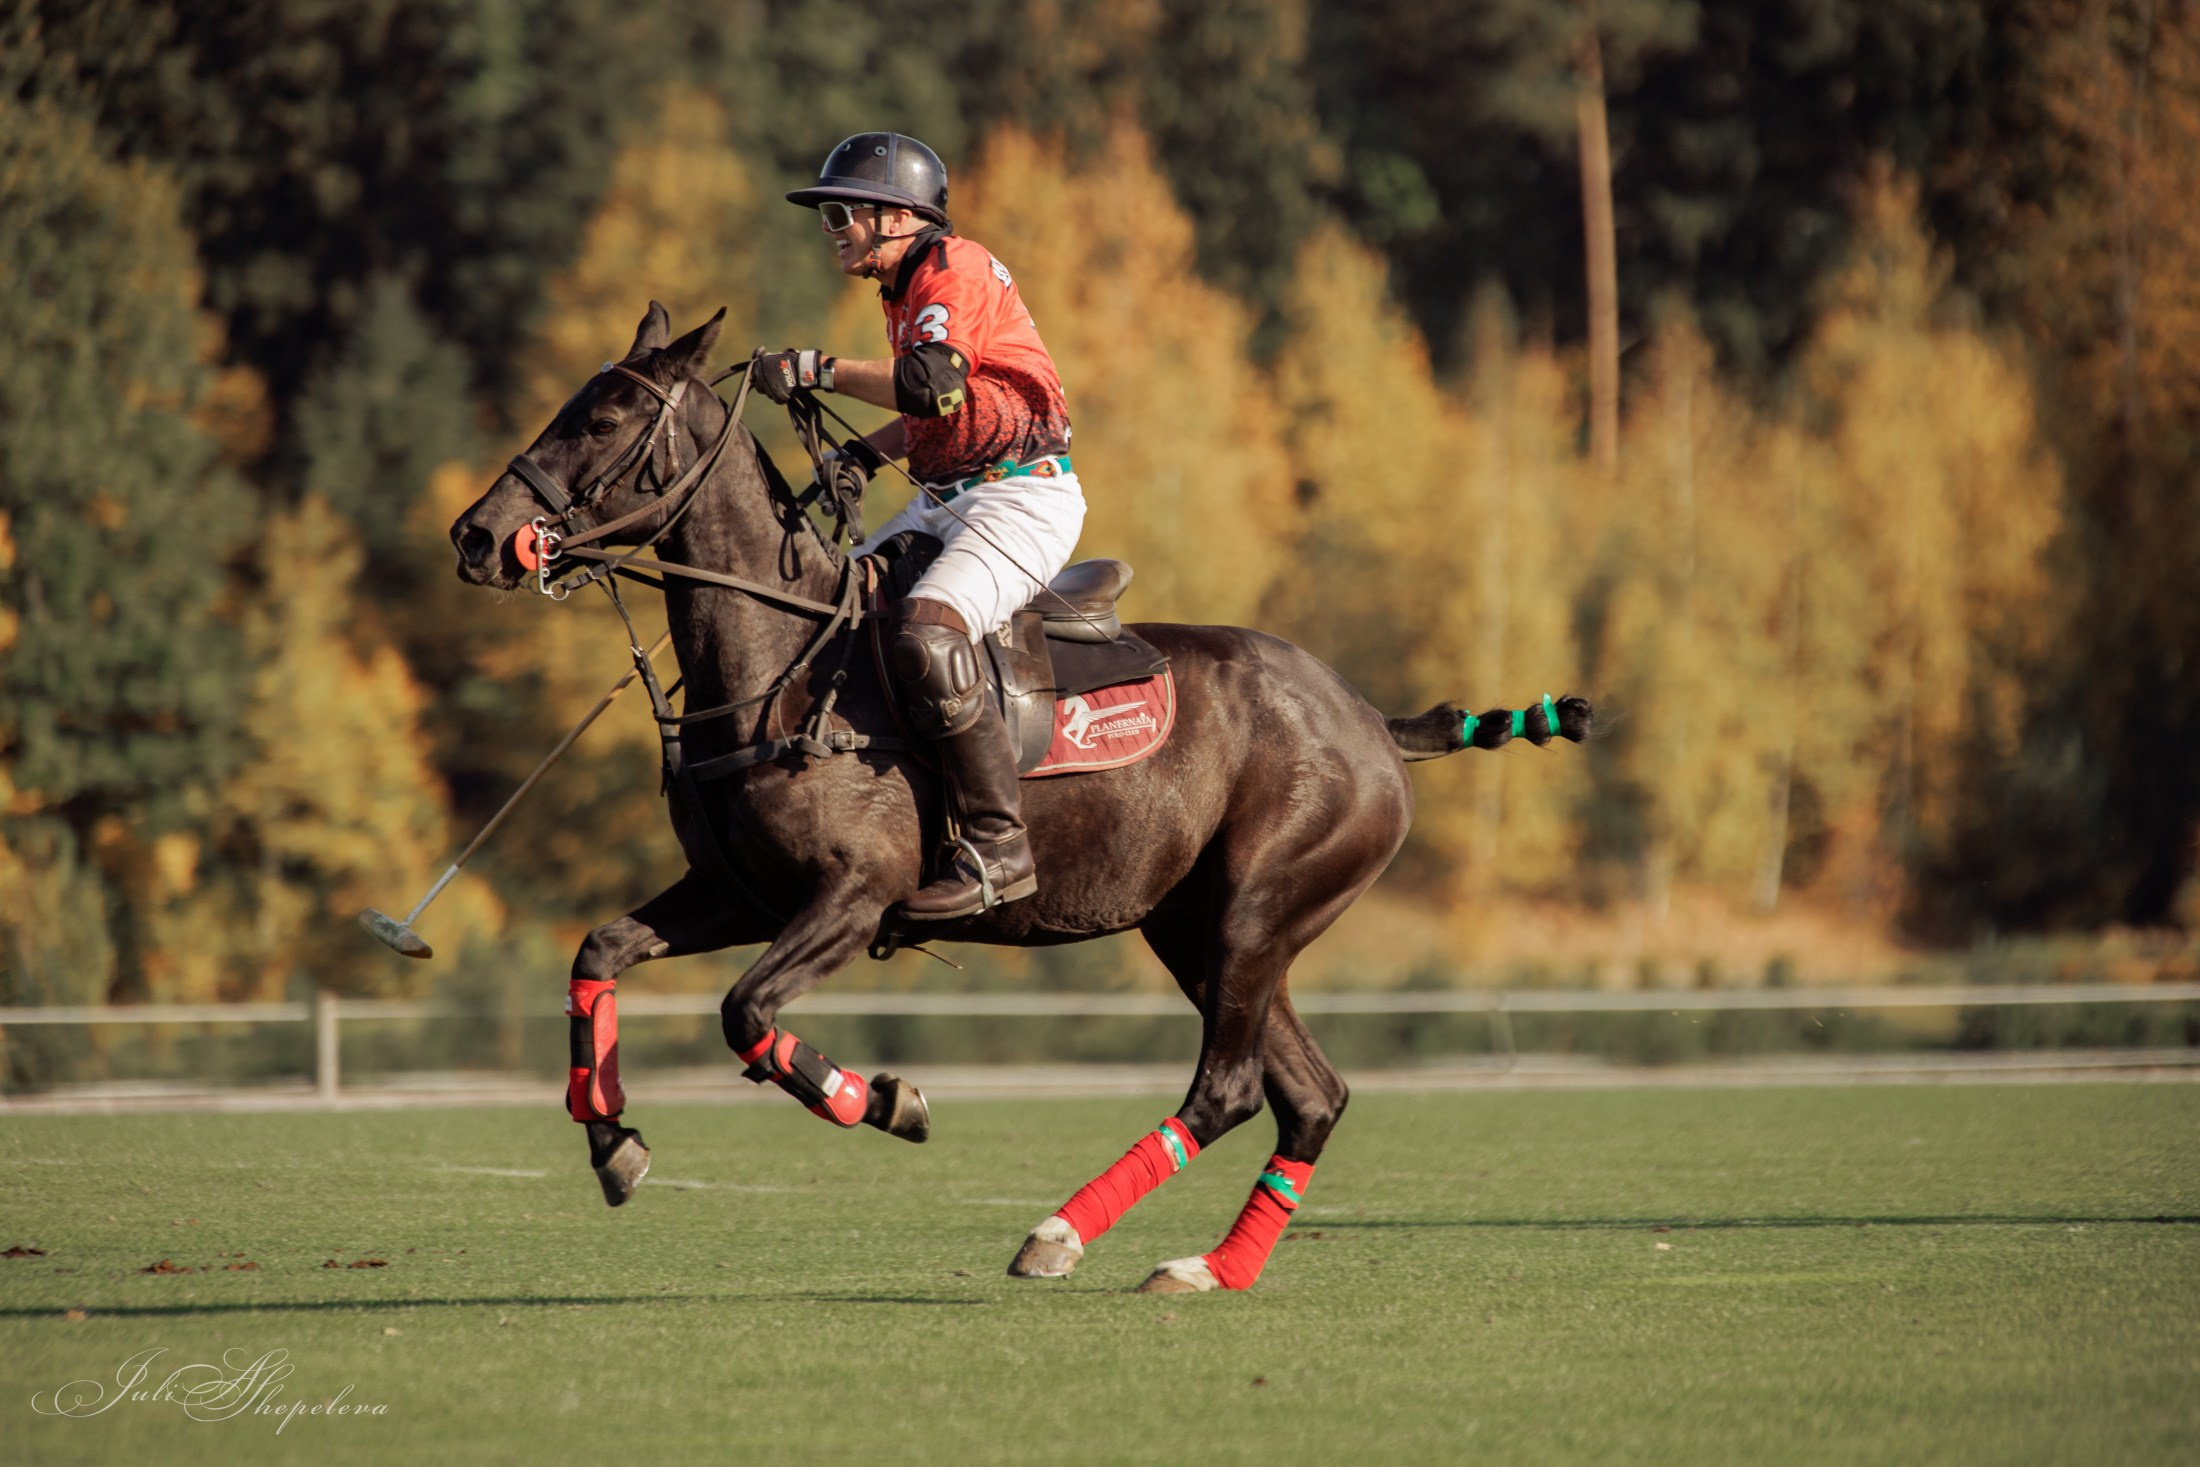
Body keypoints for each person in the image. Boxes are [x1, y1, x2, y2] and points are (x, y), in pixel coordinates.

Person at [752, 132, 1082, 921]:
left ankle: (1002, 847)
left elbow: (930, 386)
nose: (833, 225)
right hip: (946, 496)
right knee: (825, 615)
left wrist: (814, 370)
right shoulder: (907, 289)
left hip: (1019, 499)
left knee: (927, 634)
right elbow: (946, 410)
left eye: (845, 211)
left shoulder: (954, 268)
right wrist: (863, 457)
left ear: (900, 216)